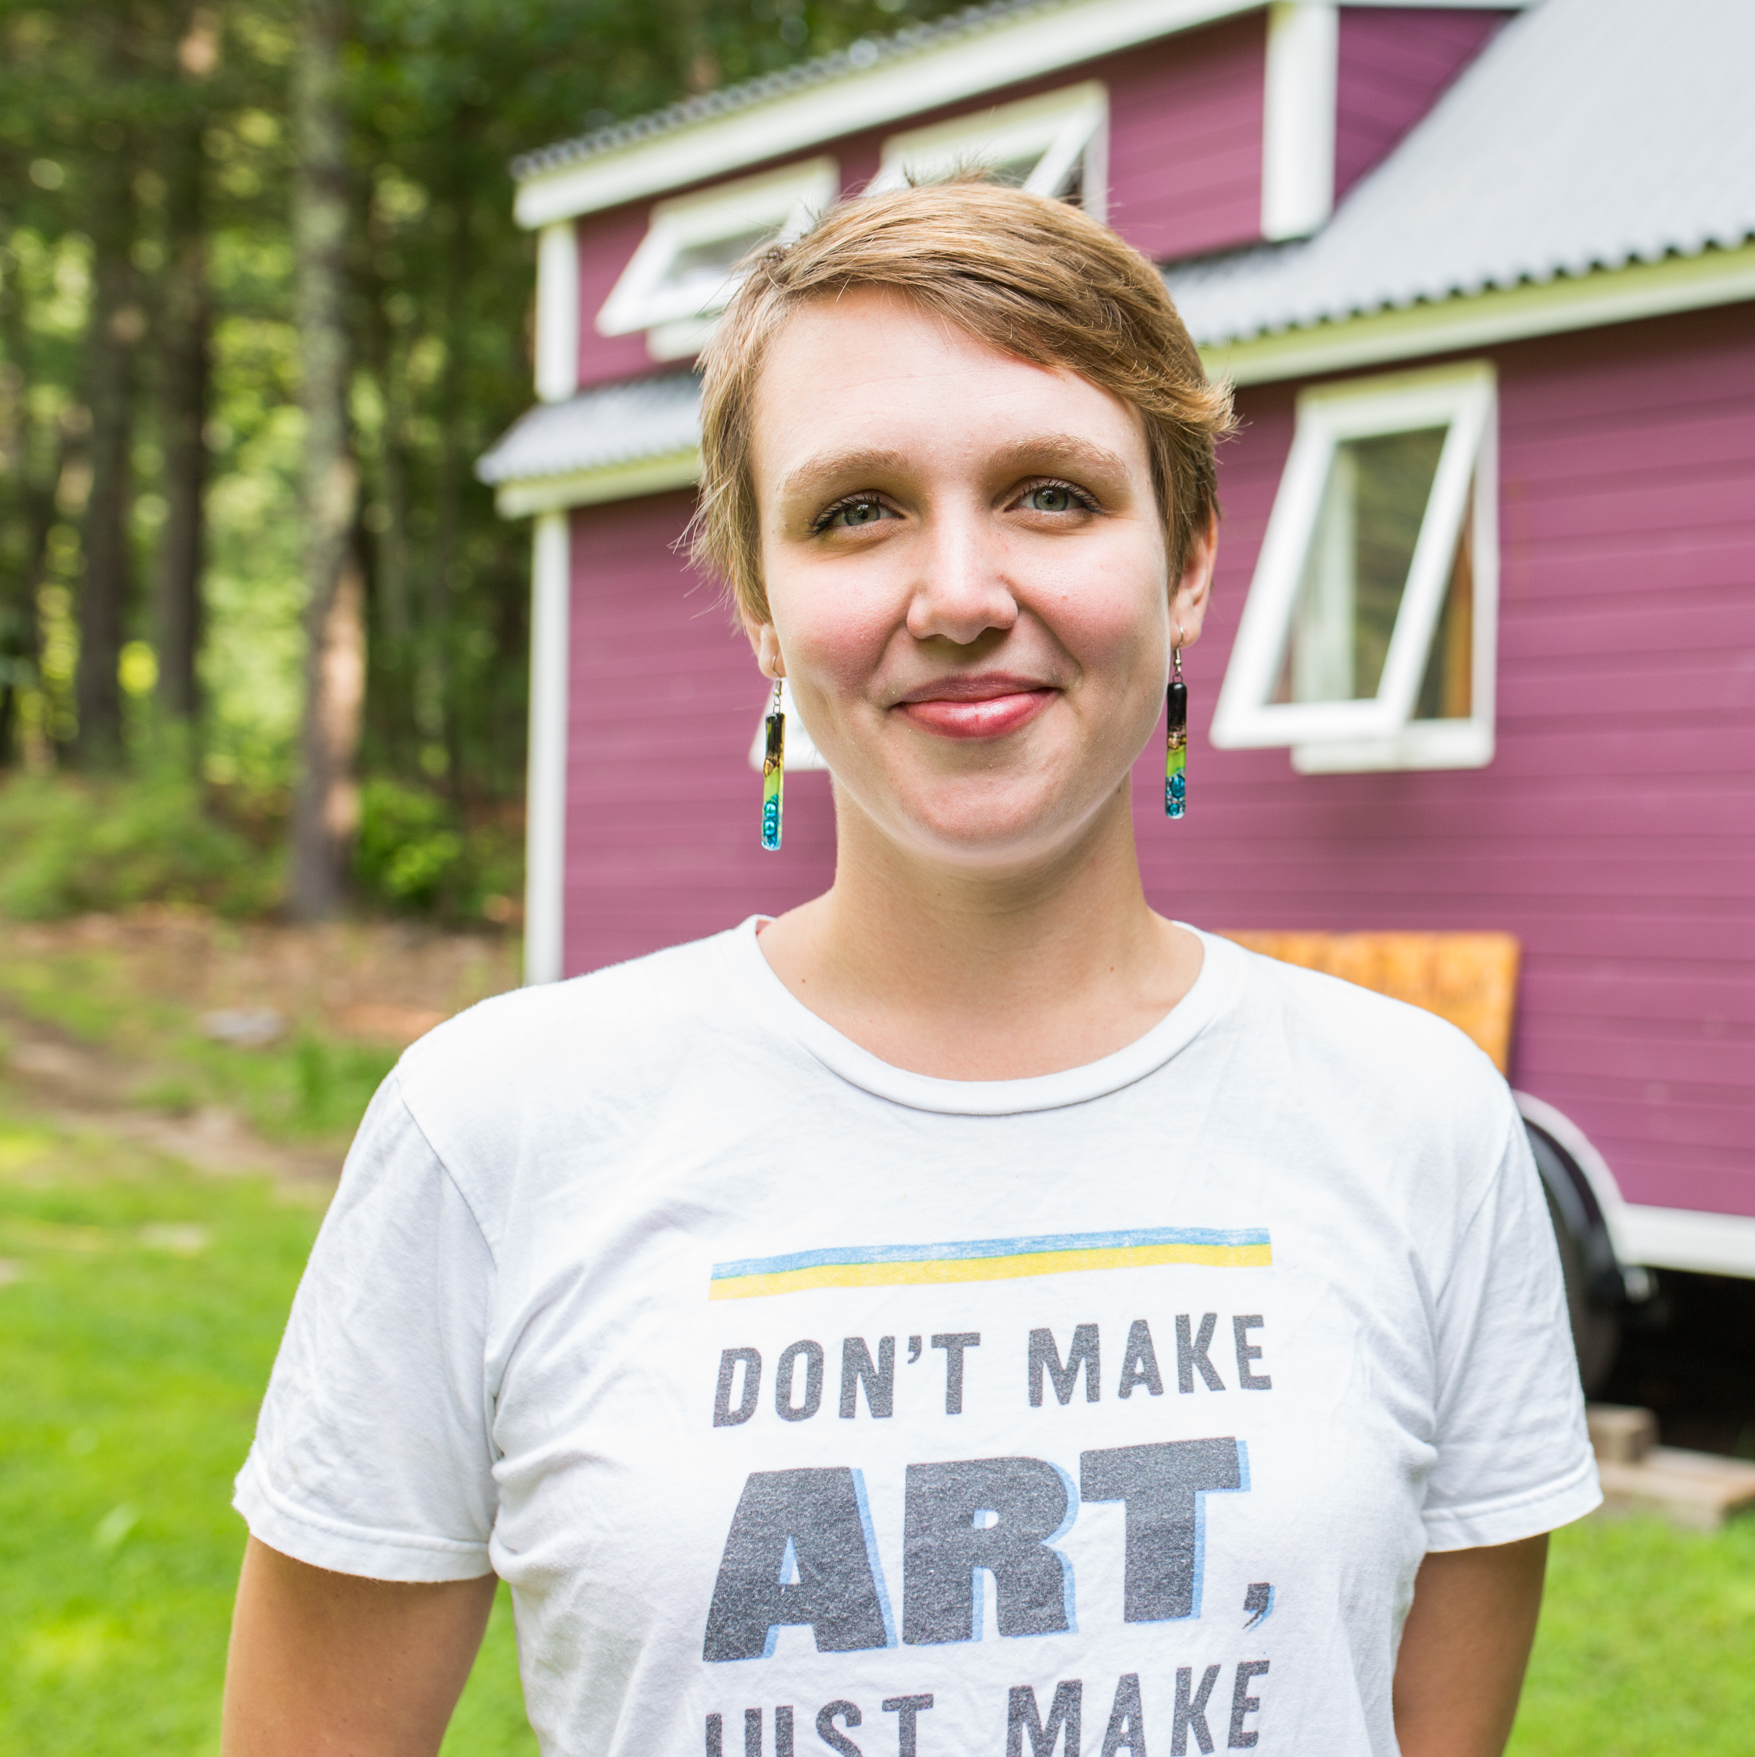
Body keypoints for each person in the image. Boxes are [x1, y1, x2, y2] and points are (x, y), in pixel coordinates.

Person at [220, 180, 1600, 1757]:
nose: (957, 597)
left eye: (1053, 495)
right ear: (760, 605)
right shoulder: (496, 1128)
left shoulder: (1416, 1117)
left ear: (1193, 563)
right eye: (856, 510)